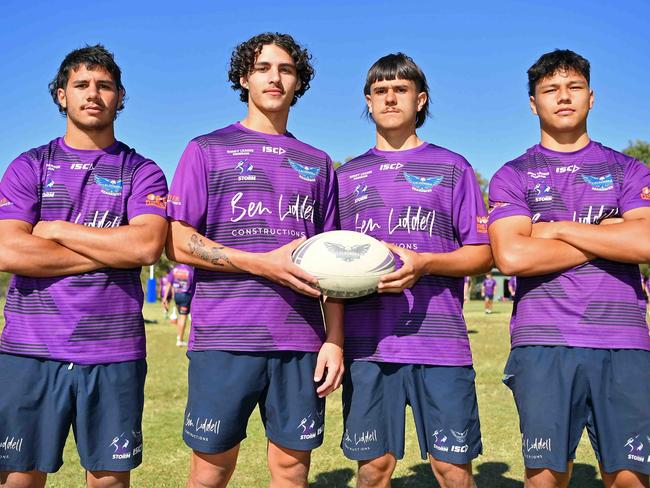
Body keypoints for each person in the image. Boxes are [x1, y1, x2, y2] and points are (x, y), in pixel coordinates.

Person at [165, 33, 343, 488]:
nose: (274, 77)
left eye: (285, 69)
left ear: (298, 81)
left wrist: (334, 339)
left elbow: (335, 263)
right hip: (225, 335)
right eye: (263, 68)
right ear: (244, 78)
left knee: (291, 470)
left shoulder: (319, 163)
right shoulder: (206, 149)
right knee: (211, 470)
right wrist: (262, 263)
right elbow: (180, 242)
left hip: (300, 339)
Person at [0, 45, 168, 488]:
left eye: (105, 86)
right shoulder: (28, 165)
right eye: (81, 85)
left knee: (109, 481)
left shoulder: (142, 171)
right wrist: (112, 248)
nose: (93, 94)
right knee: (18, 478)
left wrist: (54, 228)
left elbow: (148, 246)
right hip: (30, 350)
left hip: (114, 353)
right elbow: (8, 251)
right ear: (61, 95)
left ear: (119, 96)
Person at [488, 49, 650, 488]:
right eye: (550, 90)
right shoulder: (514, 174)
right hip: (544, 342)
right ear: (533, 102)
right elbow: (513, 257)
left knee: (631, 479)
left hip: (624, 342)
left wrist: (554, 229)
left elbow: (645, 241)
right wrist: (607, 234)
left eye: (574, 87)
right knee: (544, 479)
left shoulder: (628, 169)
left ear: (591, 98)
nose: (564, 97)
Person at [336, 53, 492, 488]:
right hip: (370, 347)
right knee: (373, 470)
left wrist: (425, 264)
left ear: (420, 99)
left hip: (440, 344)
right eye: (380, 91)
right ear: (368, 102)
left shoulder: (452, 167)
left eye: (401, 90)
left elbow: (482, 255)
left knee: (452, 470)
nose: (390, 98)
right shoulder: (346, 176)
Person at [162, 263, 195, 346]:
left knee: (180, 316)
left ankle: (179, 337)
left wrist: (164, 298)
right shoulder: (190, 270)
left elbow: (169, 283)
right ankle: (180, 339)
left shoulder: (175, 270)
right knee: (183, 317)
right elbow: (194, 285)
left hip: (177, 296)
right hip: (185, 296)